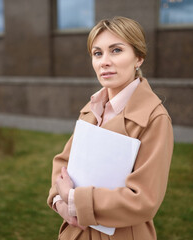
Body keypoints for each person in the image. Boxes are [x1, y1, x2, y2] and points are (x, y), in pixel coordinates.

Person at [47, 16, 174, 240]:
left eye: (116, 50)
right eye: (98, 53)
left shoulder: (155, 118)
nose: (104, 61)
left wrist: (75, 199)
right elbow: (64, 163)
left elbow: (144, 200)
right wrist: (60, 202)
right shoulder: (92, 107)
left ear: (139, 58)